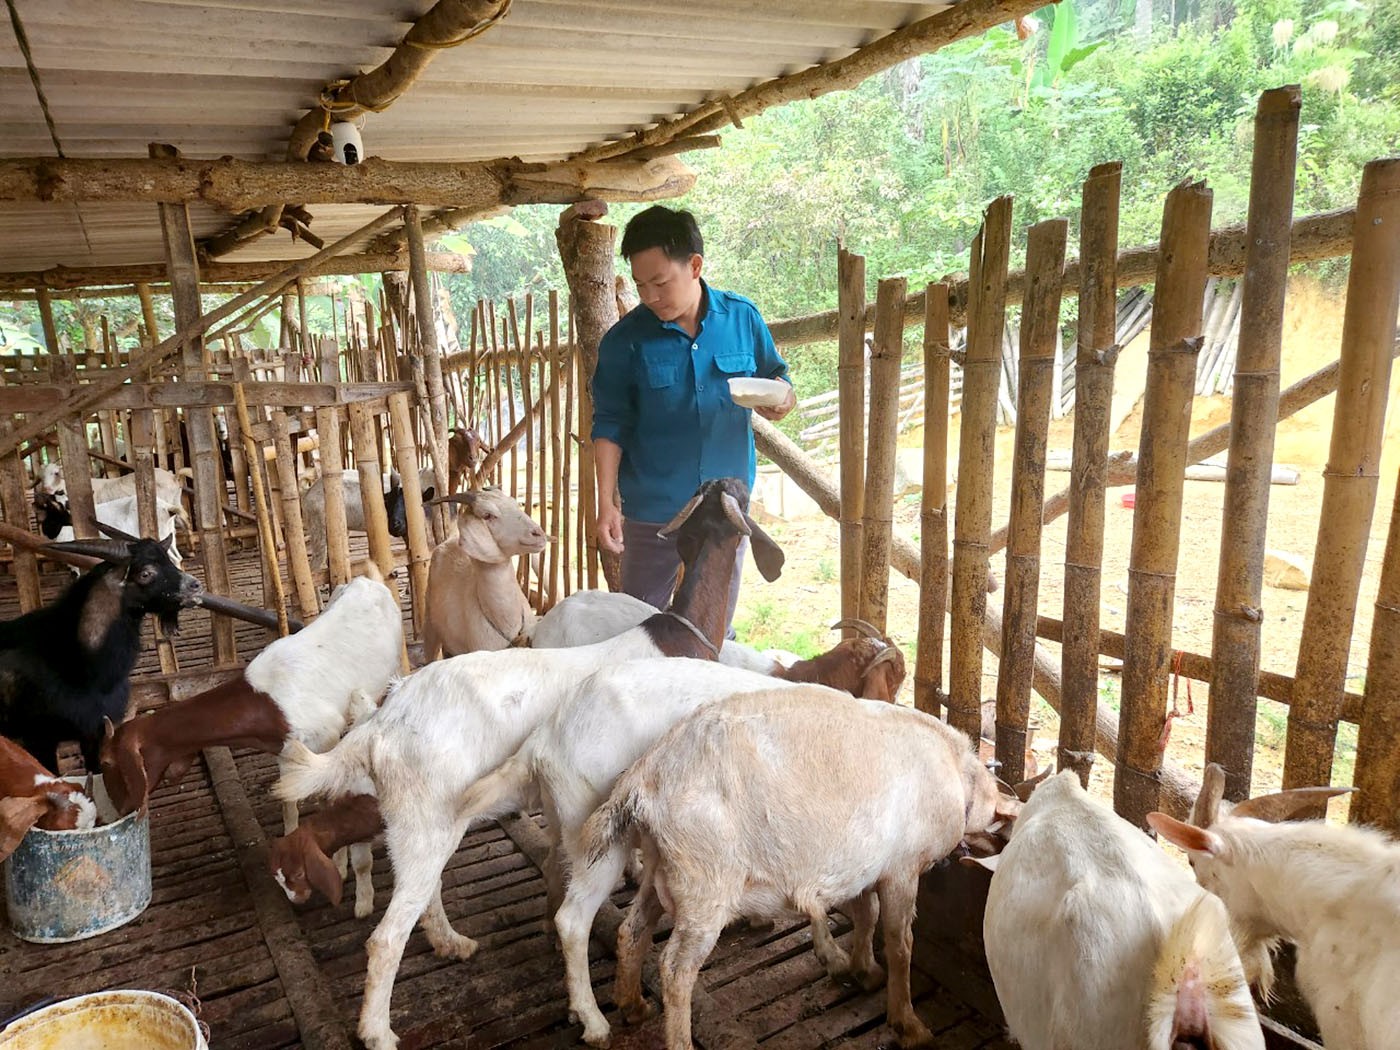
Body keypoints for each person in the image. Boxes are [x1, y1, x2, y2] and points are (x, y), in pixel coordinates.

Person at [591, 205, 794, 635]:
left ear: (695, 265)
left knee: (713, 626)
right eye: (641, 285)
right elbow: (609, 423)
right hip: (654, 512)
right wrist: (607, 502)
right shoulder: (625, 342)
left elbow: (777, 377)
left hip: (725, 510)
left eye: (660, 282)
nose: (649, 296)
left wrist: (782, 399)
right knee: (639, 629)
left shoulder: (742, 319)